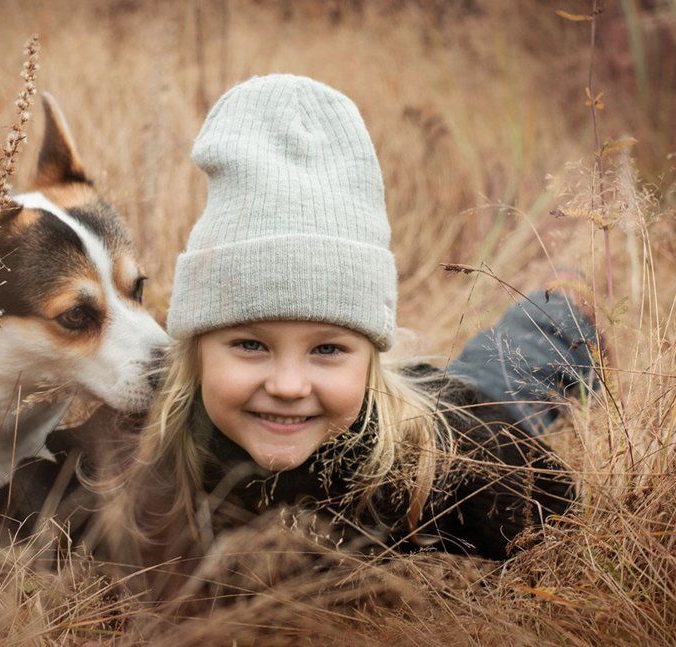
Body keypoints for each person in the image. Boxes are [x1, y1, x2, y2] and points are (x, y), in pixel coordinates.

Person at [91, 74, 599, 593]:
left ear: (368, 356)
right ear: (196, 351)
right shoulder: (141, 441)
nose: (288, 386)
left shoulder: (448, 458)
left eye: (328, 348)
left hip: (448, 404)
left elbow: (557, 514)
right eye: (250, 345)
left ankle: (559, 307)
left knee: (504, 373)